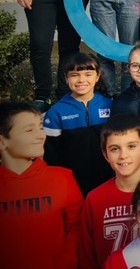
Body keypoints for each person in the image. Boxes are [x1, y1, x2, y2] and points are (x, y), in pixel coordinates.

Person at [0, 101, 84, 269]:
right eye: (29, 130)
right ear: (2, 142)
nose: (41, 135)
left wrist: (66, 262)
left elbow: (78, 228)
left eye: (40, 127)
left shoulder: (62, 178)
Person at [79, 114, 140, 269]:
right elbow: (87, 256)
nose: (123, 155)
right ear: (105, 155)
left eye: (131, 146)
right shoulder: (95, 199)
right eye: (114, 149)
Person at [43, 52, 113, 195]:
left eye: (88, 74)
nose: (81, 80)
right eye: (75, 75)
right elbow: (51, 157)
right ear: (66, 78)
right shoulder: (56, 113)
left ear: (98, 76)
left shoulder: (111, 106)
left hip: (109, 181)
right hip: (72, 185)